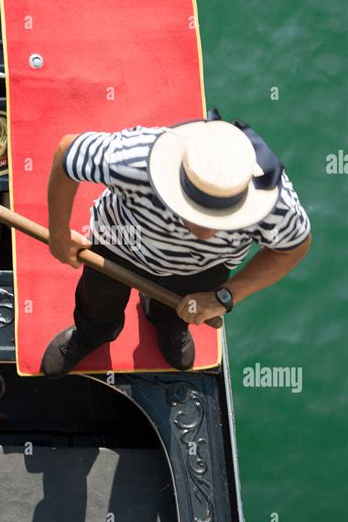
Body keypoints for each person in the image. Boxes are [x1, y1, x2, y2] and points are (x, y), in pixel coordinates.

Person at [41, 109, 311, 378]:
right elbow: (67, 153)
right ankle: (91, 334)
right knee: (98, 302)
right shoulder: (135, 159)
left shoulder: (274, 204)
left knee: (180, 313)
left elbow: (293, 246)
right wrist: (59, 234)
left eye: (223, 219)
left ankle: (169, 328)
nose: (206, 233)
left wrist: (227, 295)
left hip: (202, 268)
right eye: (197, 212)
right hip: (117, 245)